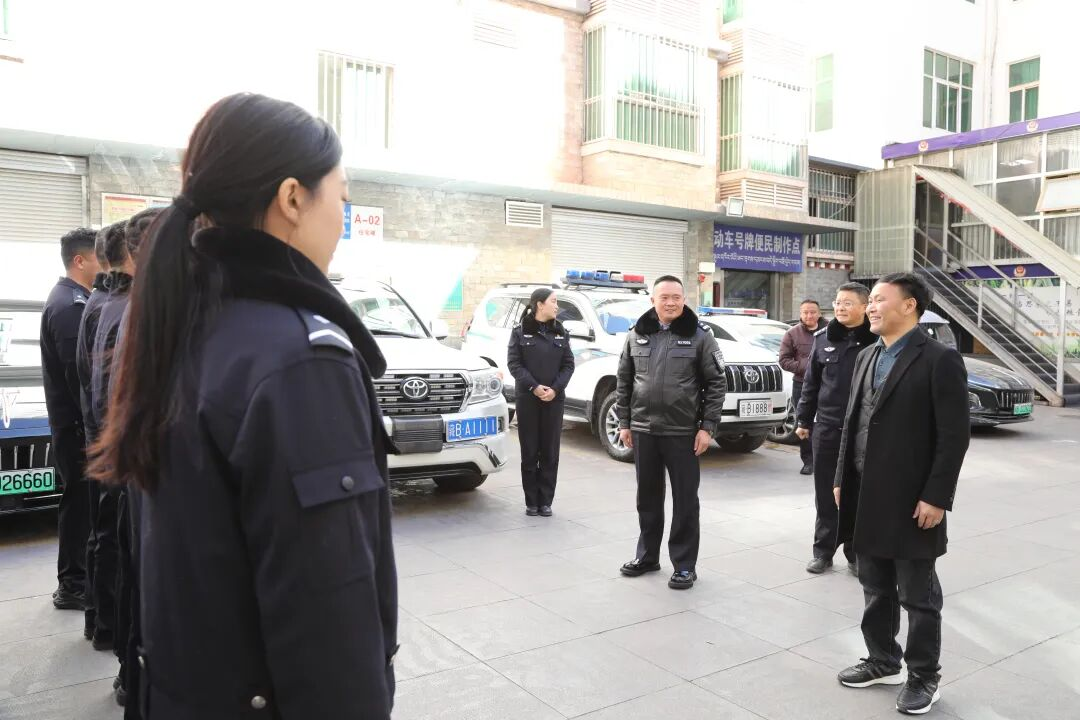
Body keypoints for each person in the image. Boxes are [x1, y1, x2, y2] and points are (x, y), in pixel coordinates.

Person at [87, 92, 398, 719]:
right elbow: (327, 616)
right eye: (341, 197)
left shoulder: (180, 324)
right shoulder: (299, 360)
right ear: (292, 199)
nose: (342, 218)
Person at [832, 273, 969, 716]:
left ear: (909, 306)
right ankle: (882, 660)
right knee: (874, 586)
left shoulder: (939, 359)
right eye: (869, 300)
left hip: (913, 501)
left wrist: (937, 496)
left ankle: (924, 676)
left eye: (878, 300)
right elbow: (852, 422)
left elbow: (954, 436)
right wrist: (841, 477)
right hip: (865, 494)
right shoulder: (867, 355)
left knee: (918, 596)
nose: (870, 307)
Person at [615, 276, 726, 590]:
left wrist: (707, 427)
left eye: (676, 297)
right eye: (664, 297)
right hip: (644, 430)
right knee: (647, 498)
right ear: (653, 300)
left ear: (684, 299)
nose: (671, 303)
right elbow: (624, 380)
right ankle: (647, 557)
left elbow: (716, 384)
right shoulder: (636, 334)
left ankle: (684, 565)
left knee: (685, 501)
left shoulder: (701, 336)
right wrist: (625, 423)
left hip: (683, 432)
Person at [40, 227, 101, 610]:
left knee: (80, 504)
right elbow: (78, 376)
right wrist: (93, 426)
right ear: (79, 260)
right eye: (97, 257)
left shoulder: (71, 299)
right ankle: (73, 584)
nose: (104, 264)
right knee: (78, 505)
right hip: (77, 428)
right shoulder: (69, 307)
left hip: (74, 426)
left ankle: (76, 580)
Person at [795, 282, 874, 575]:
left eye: (848, 303)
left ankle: (855, 552)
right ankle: (823, 551)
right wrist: (804, 420)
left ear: (865, 307)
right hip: (827, 428)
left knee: (859, 494)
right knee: (825, 493)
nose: (840, 307)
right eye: (838, 302)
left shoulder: (876, 340)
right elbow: (811, 384)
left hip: (862, 431)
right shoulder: (823, 339)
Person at [75, 225, 116, 640]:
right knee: (108, 536)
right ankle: (104, 623)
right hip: (106, 439)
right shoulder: (110, 307)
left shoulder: (99, 302)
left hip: (99, 434)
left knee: (102, 532)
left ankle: (97, 619)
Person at [506, 287, 574, 517]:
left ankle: (545, 501)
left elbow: (568, 365)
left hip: (554, 400)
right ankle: (531, 502)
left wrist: (555, 389)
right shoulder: (520, 332)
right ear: (539, 304)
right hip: (528, 399)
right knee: (529, 450)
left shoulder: (561, 332)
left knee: (550, 451)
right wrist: (534, 387)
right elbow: (514, 364)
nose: (557, 306)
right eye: (554, 301)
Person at [780, 299, 824, 475]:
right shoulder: (792, 333)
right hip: (802, 384)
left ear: (819, 313)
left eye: (812, 312)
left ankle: (824, 460)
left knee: (826, 422)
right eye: (805, 312)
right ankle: (808, 461)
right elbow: (784, 360)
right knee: (804, 422)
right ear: (800, 314)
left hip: (828, 384)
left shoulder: (830, 330)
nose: (809, 315)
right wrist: (807, 367)